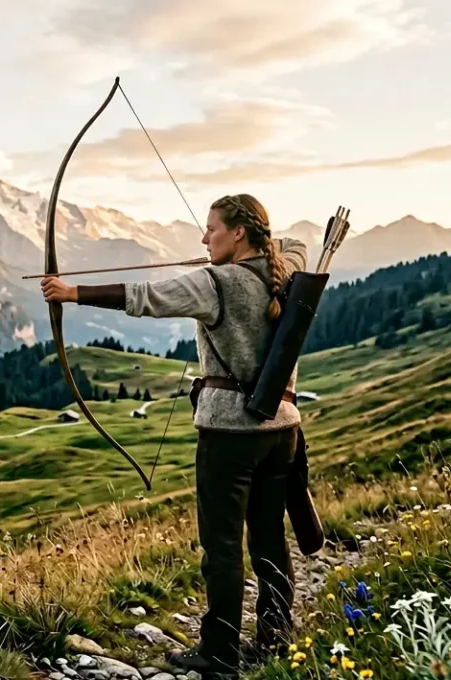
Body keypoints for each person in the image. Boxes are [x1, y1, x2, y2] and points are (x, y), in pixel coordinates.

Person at [40, 194, 307, 679]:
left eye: (212, 229)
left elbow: (147, 297)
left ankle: (219, 653)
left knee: (222, 546)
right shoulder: (286, 271)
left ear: (239, 233)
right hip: (282, 430)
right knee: (269, 537)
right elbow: (295, 245)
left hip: (230, 432)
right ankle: (275, 636)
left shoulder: (214, 283)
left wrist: (71, 293)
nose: (203, 238)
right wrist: (244, 252)